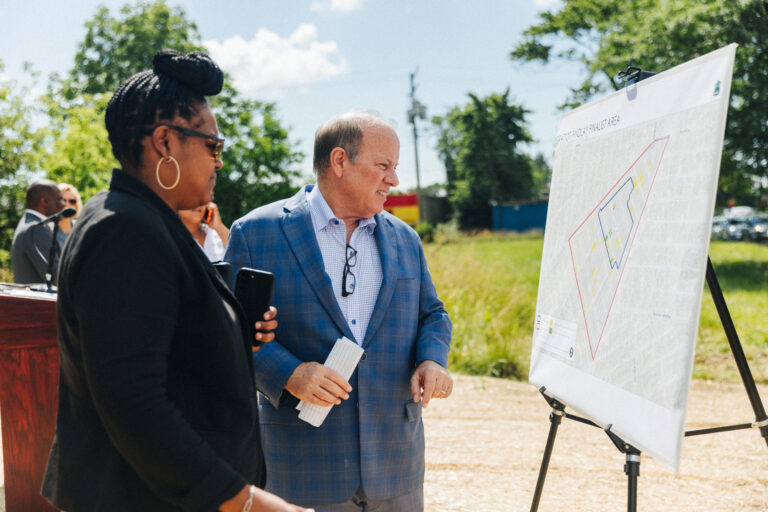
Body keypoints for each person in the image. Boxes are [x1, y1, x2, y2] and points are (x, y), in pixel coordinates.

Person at [41, 49, 311, 512]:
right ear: (165, 142)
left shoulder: (136, 217)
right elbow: (132, 398)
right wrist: (243, 501)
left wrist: (230, 334)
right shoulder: (124, 230)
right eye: (214, 145)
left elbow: (157, 347)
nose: (219, 163)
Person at [224, 112, 453, 511]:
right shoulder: (255, 233)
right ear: (340, 161)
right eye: (383, 166)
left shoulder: (406, 240)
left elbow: (432, 313)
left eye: (395, 168)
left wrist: (432, 359)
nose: (394, 180)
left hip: (395, 464)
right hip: (301, 466)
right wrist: (289, 373)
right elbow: (229, 334)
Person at [10, 179, 66, 284]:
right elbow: (55, 276)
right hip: (39, 299)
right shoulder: (37, 228)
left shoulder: (28, 224)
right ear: (44, 201)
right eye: (59, 199)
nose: (64, 204)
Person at [56, 183, 82, 248]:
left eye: (72, 201)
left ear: (76, 205)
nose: (67, 204)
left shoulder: (80, 227)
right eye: (63, 200)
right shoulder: (48, 229)